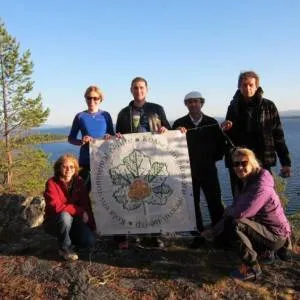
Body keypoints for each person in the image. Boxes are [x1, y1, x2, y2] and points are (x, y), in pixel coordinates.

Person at [206, 148, 291, 281]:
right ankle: (267, 253)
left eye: (244, 163)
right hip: (268, 231)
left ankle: (252, 267)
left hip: (275, 236)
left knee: (234, 224)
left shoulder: (261, 186)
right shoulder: (249, 180)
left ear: (252, 163)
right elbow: (237, 207)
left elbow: (242, 212)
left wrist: (217, 227)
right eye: (236, 164)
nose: (239, 167)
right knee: (230, 221)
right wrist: (214, 229)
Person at [115, 76, 171, 248]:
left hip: (153, 158)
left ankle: (156, 234)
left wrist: (164, 129)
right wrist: (117, 136)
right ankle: (135, 233)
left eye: (141, 87)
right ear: (131, 90)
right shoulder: (124, 113)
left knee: (153, 197)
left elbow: (168, 128)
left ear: (146, 89)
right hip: (132, 161)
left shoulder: (157, 109)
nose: (138, 90)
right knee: (134, 197)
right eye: (135, 88)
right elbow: (117, 135)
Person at [221, 71, 291, 196]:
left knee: (265, 197)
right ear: (239, 87)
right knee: (240, 199)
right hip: (240, 163)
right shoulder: (233, 107)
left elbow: (278, 135)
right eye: (244, 85)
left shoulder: (268, 106)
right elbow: (228, 137)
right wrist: (226, 128)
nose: (247, 88)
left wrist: (285, 162)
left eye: (251, 85)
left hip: (262, 160)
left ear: (256, 87)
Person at [172, 91, 225, 248]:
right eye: (189, 102)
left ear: (202, 103)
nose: (193, 104)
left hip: (209, 170)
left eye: (196, 101)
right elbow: (170, 147)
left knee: (215, 204)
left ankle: (221, 236)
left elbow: (220, 146)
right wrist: (176, 133)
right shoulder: (179, 124)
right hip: (187, 173)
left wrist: (210, 159)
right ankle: (198, 237)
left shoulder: (212, 122)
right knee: (192, 206)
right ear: (186, 104)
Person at [44, 154, 96, 261]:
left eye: (71, 167)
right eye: (65, 166)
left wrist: (92, 226)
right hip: (55, 221)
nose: (68, 169)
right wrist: (79, 211)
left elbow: (86, 204)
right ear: (59, 168)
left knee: (89, 241)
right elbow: (56, 207)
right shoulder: (52, 183)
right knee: (65, 216)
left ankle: (68, 238)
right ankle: (64, 249)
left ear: (75, 169)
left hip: (74, 220)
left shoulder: (79, 182)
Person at [68, 85, 114, 188]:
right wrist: (81, 142)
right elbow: (70, 139)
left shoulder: (106, 115)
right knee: (82, 192)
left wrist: (109, 136)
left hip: (104, 160)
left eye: (95, 98)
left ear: (100, 99)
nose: (92, 100)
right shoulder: (80, 116)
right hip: (85, 161)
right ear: (85, 99)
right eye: (89, 98)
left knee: (105, 194)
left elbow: (112, 136)